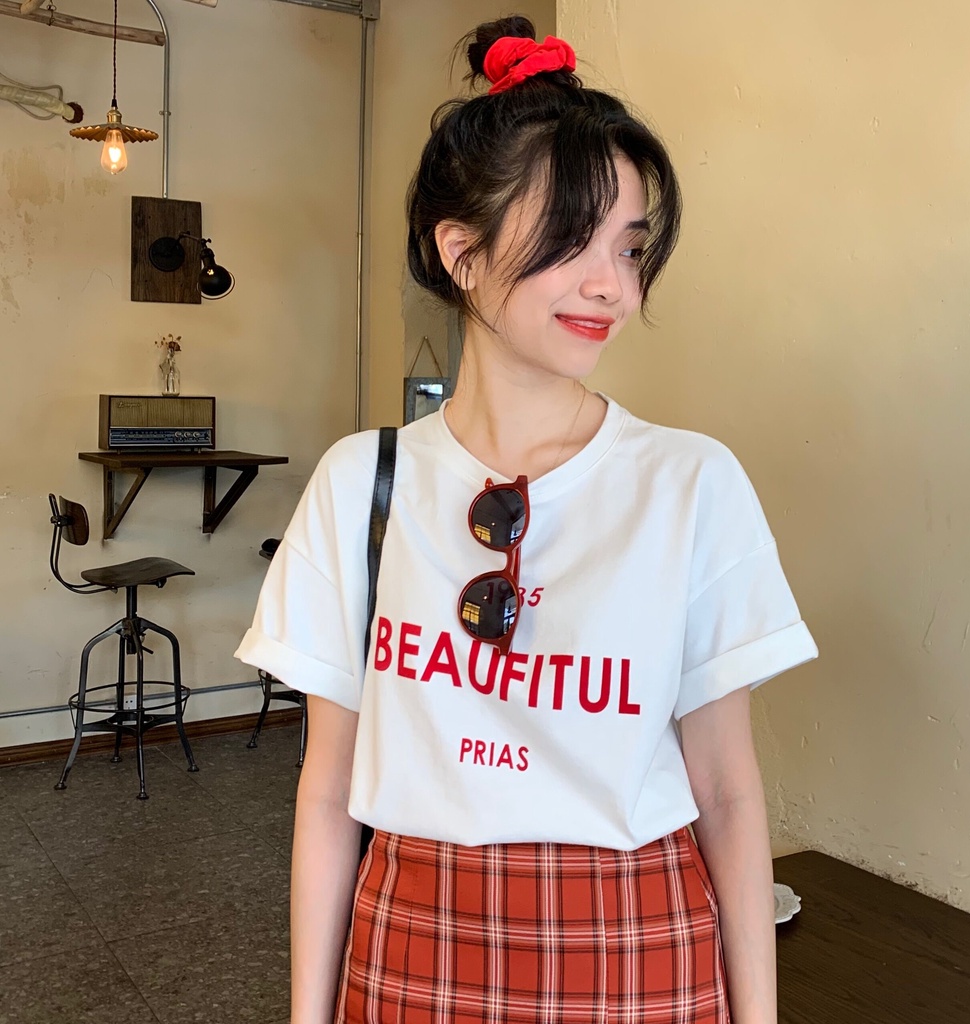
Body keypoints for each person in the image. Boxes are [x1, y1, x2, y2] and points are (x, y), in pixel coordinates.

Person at [235, 15, 818, 1024]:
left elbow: (727, 791)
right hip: (412, 942)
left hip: (638, 946)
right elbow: (327, 794)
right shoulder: (361, 485)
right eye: (570, 241)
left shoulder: (691, 484)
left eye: (629, 248)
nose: (611, 285)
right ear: (459, 252)